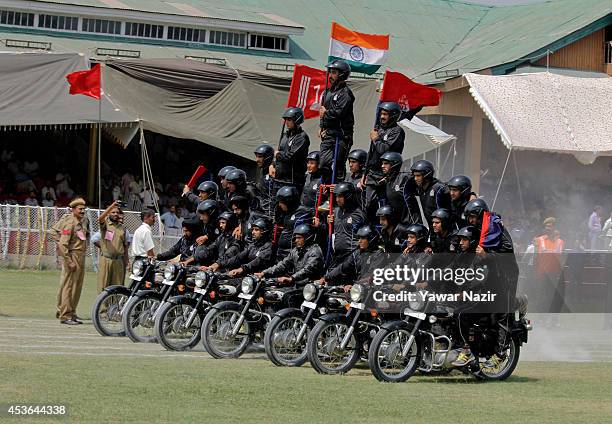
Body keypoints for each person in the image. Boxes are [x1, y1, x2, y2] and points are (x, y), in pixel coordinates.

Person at [363, 101, 405, 220]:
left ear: (393, 115)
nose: (382, 117)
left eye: (385, 114)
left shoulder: (397, 131)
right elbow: (371, 154)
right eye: (381, 114)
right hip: (372, 174)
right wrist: (364, 174)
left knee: (385, 206)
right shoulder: (378, 130)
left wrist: (376, 139)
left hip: (386, 175)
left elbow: (385, 150)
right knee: (369, 204)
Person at [52, 198, 89, 325]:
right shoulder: (69, 222)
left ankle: (72, 312)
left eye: (84, 209)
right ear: (73, 210)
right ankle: (65, 315)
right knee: (68, 286)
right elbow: (62, 244)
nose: (83, 211)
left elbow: (85, 236)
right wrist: (69, 260)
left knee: (77, 287)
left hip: (81, 255)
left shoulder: (84, 221)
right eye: (80, 209)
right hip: (72, 255)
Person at [318, 225, 386, 291]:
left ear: (371, 239)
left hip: (374, 291)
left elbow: (370, 275)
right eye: (359, 238)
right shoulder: (357, 253)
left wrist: (354, 285)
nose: (359, 241)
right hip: (359, 289)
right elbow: (342, 267)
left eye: (363, 238)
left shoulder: (379, 255)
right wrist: (326, 278)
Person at [313, 181, 365, 266]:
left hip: (352, 255)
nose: (337, 199)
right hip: (337, 255)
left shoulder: (359, 214)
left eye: (340, 196)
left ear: (348, 196)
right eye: (336, 196)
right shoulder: (336, 211)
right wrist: (321, 225)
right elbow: (331, 230)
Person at [319, 59, 354, 183]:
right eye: (330, 72)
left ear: (342, 75)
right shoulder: (327, 92)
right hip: (329, 135)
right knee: (323, 164)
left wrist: (326, 113)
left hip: (342, 135)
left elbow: (339, 112)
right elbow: (322, 113)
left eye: (334, 72)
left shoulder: (345, 93)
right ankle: (326, 192)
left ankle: (338, 192)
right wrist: (322, 127)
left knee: (337, 165)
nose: (330, 75)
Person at [255, 224, 324, 285]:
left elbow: (307, 270)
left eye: (299, 238)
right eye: (296, 238)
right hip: (297, 284)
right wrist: (264, 273)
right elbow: (283, 265)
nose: (296, 240)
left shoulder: (315, 251)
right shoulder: (296, 251)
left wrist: (292, 278)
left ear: (308, 238)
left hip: (310, 288)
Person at [209, 218, 274, 278]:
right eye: (252, 229)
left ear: (264, 232)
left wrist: (241, 269)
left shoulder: (269, 247)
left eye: (256, 230)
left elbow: (257, 261)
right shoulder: (253, 245)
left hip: (262, 279)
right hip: (249, 277)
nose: (252, 232)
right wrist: (218, 264)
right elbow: (238, 257)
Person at [532, 217, 565, 326]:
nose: (548, 229)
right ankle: (541, 319)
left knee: (554, 297)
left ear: (554, 227)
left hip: (555, 274)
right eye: (546, 227)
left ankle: (553, 320)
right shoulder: (539, 240)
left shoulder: (560, 241)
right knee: (542, 297)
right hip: (542, 274)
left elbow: (560, 258)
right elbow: (535, 257)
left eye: (550, 226)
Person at [271, 107, 310, 195]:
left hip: (292, 182)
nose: (286, 122)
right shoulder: (285, 135)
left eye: (289, 119)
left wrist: (278, 154)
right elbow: (280, 152)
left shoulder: (301, 137)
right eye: (285, 119)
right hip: (279, 179)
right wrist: (273, 164)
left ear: (296, 120)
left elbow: (290, 157)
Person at [407, 160, 451, 228]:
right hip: (432, 228)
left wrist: (471, 194)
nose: (415, 179)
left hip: (445, 229)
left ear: (427, 175)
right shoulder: (420, 188)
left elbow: (455, 191)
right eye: (414, 176)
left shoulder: (439, 187)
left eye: (418, 176)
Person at [97, 201, 129, 293]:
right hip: (106, 260)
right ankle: (102, 307)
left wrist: (126, 261)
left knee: (117, 287)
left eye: (117, 212)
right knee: (103, 286)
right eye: (113, 212)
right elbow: (99, 219)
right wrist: (112, 205)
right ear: (109, 213)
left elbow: (125, 247)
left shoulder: (122, 228)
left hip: (118, 261)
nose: (115, 214)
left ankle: (114, 307)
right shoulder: (106, 225)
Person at [274, 186, 313, 260]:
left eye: (281, 202)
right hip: (281, 251)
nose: (279, 205)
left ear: (289, 201)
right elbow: (277, 222)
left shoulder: (304, 211)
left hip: (292, 252)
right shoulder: (286, 213)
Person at [379, 152, 411, 224]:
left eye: (386, 163)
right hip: (398, 224)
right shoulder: (388, 181)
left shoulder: (404, 177)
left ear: (394, 164)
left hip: (410, 222)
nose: (382, 166)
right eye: (382, 163)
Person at [253, 144, 275, 218]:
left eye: (260, 157)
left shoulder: (274, 171)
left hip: (271, 213)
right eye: (256, 156)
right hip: (262, 209)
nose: (257, 160)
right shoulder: (263, 170)